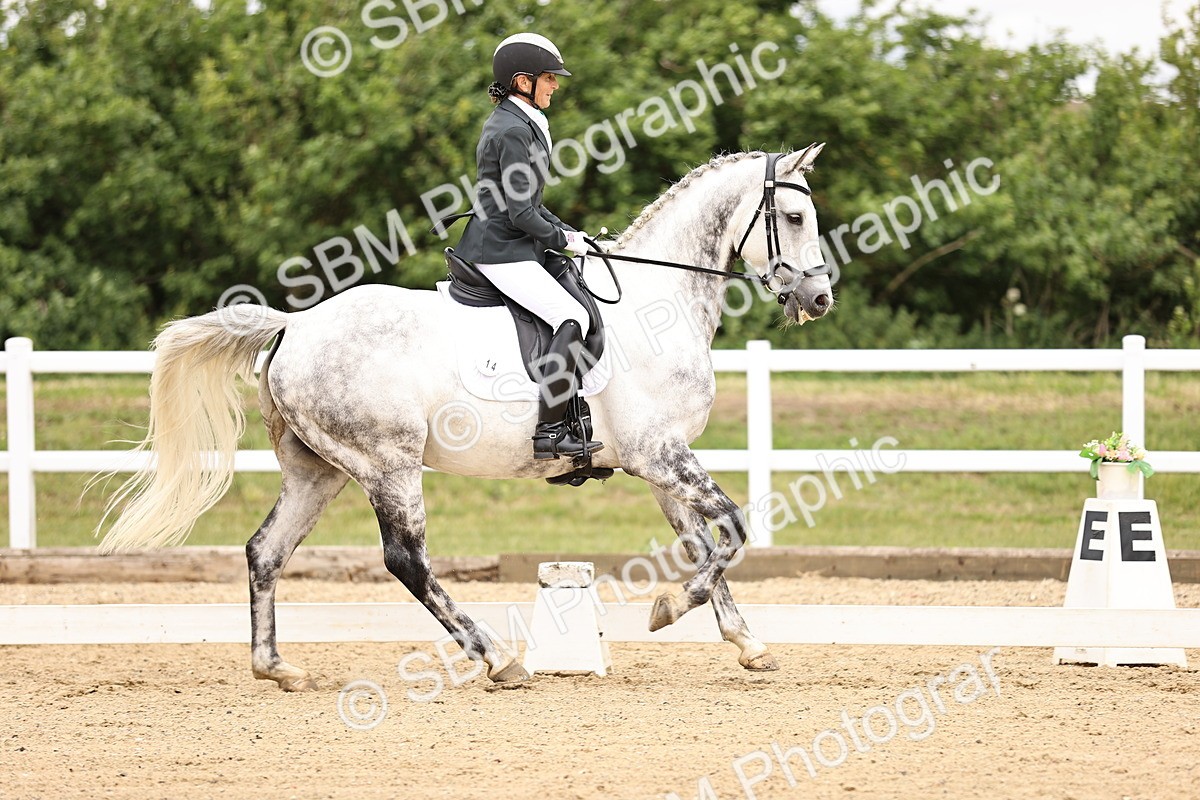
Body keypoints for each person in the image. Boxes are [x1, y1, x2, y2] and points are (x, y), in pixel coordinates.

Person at [454, 32, 603, 461]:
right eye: (549, 78)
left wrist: (574, 234)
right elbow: (520, 215)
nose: (556, 85)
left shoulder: (521, 123)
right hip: (499, 249)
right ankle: (551, 430)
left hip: (513, 242)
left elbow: (532, 204)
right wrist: (563, 241)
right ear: (523, 82)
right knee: (571, 315)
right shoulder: (512, 130)